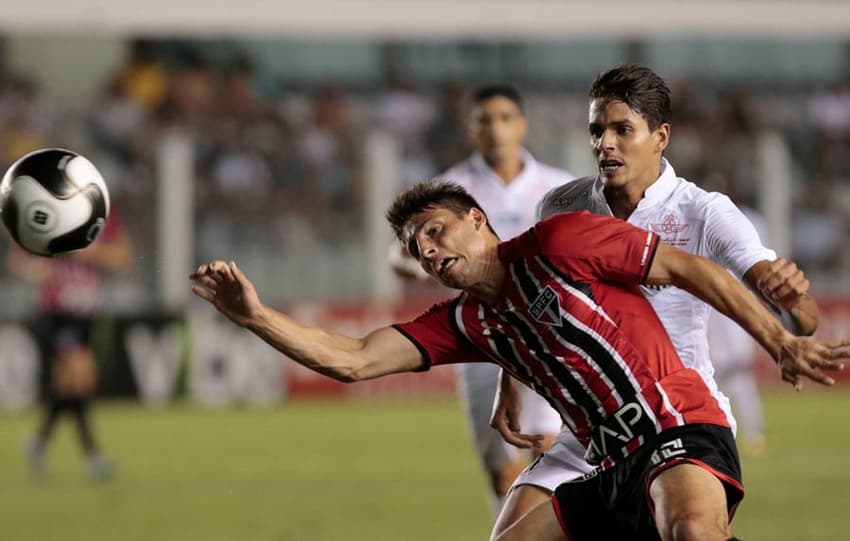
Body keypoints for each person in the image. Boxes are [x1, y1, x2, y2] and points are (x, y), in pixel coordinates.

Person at [191, 179, 847, 541]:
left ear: (479, 220)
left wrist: (780, 340)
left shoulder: (559, 240)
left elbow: (686, 266)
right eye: (415, 244)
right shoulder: (467, 320)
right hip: (610, 460)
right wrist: (255, 316)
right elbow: (354, 359)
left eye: (435, 228)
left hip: (678, 423)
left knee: (692, 531)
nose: (425, 247)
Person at [488, 64, 821, 538]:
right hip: (590, 434)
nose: (605, 143)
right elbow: (528, 295)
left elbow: (801, 317)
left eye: (623, 129)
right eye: (597, 129)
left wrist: (795, 302)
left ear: (660, 136)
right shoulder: (562, 206)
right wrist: (510, 383)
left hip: (678, 421)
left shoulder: (703, 212)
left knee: (691, 531)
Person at [390, 84, 574, 516]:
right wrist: (429, 268)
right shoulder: (448, 191)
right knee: (500, 469)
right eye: (484, 120)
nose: (496, 129)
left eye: (505, 118)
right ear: (470, 129)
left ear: (522, 124)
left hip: (545, 331)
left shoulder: (559, 187)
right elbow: (398, 257)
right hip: (481, 335)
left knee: (548, 452)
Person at [13, 209, 134, 481]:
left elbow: (122, 256)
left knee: (68, 390)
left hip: (87, 315)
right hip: (58, 313)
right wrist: (39, 271)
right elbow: (19, 260)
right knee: (80, 380)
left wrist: (89, 254)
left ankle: (39, 442)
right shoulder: (47, 211)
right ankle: (93, 457)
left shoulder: (105, 214)